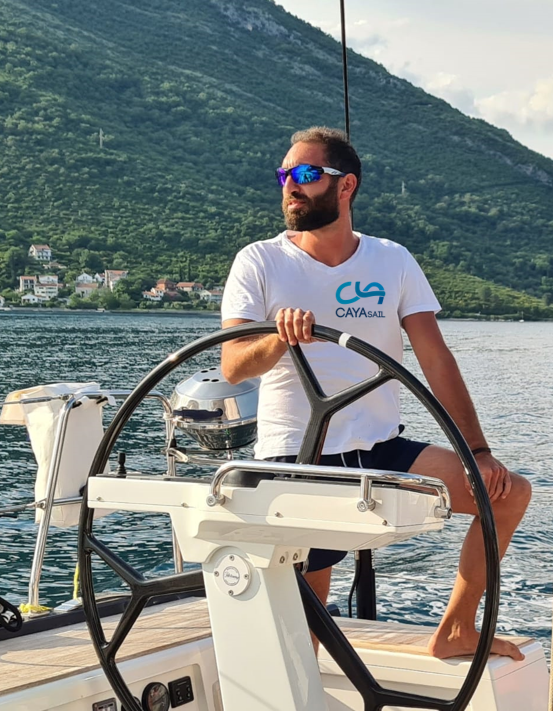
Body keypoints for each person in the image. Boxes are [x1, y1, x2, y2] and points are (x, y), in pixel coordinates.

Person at [219, 126, 531, 660]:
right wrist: (278, 337)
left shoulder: (393, 260)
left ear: (346, 186)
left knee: (506, 494)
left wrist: (477, 451)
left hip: (378, 450)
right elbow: (233, 366)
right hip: (300, 458)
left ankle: (456, 629)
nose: (290, 185)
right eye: (284, 175)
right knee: (305, 635)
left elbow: (436, 360)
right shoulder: (260, 261)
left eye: (306, 174)